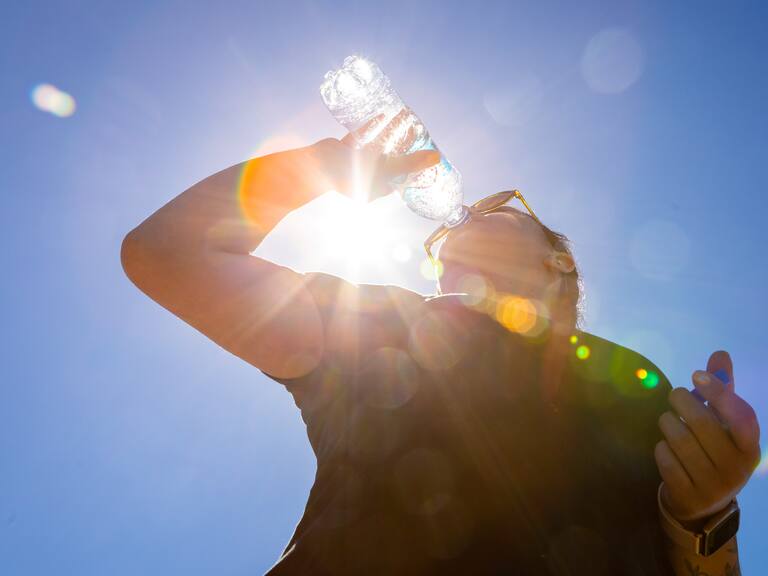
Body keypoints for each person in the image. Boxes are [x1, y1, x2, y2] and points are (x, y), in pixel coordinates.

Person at [121, 135, 760, 575]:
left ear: (557, 259)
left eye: (494, 208)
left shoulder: (636, 382)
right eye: (441, 241)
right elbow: (166, 255)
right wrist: (314, 168)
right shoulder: (384, 325)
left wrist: (704, 512)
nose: (455, 224)